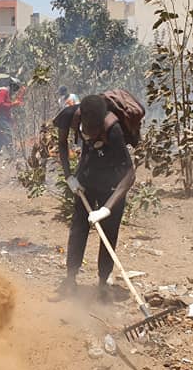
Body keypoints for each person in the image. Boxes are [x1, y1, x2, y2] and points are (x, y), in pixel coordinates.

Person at [52, 94, 136, 302]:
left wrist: (106, 209)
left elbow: (129, 174)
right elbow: (62, 143)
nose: (89, 136)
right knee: (78, 229)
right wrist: (69, 175)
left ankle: (102, 284)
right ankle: (70, 279)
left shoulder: (113, 129)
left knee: (108, 234)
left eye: (95, 133)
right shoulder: (69, 116)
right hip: (86, 180)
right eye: (87, 132)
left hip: (112, 185)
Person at [0, 78, 25, 165]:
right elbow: (1, 104)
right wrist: (14, 104)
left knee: (0, 135)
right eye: (16, 88)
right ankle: (12, 154)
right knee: (7, 133)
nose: (16, 90)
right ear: (13, 86)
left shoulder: (7, 93)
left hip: (2, 116)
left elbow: (6, 108)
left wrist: (10, 119)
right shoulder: (3, 91)